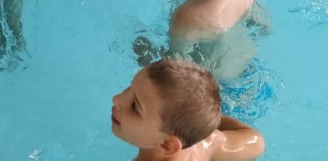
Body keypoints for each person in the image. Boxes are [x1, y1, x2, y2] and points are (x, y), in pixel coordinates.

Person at [111, 58, 265, 160]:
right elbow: (256, 142)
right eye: (130, 87)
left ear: (167, 144)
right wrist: (198, 123)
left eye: (134, 107)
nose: (117, 99)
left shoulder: (206, 144)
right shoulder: (209, 142)